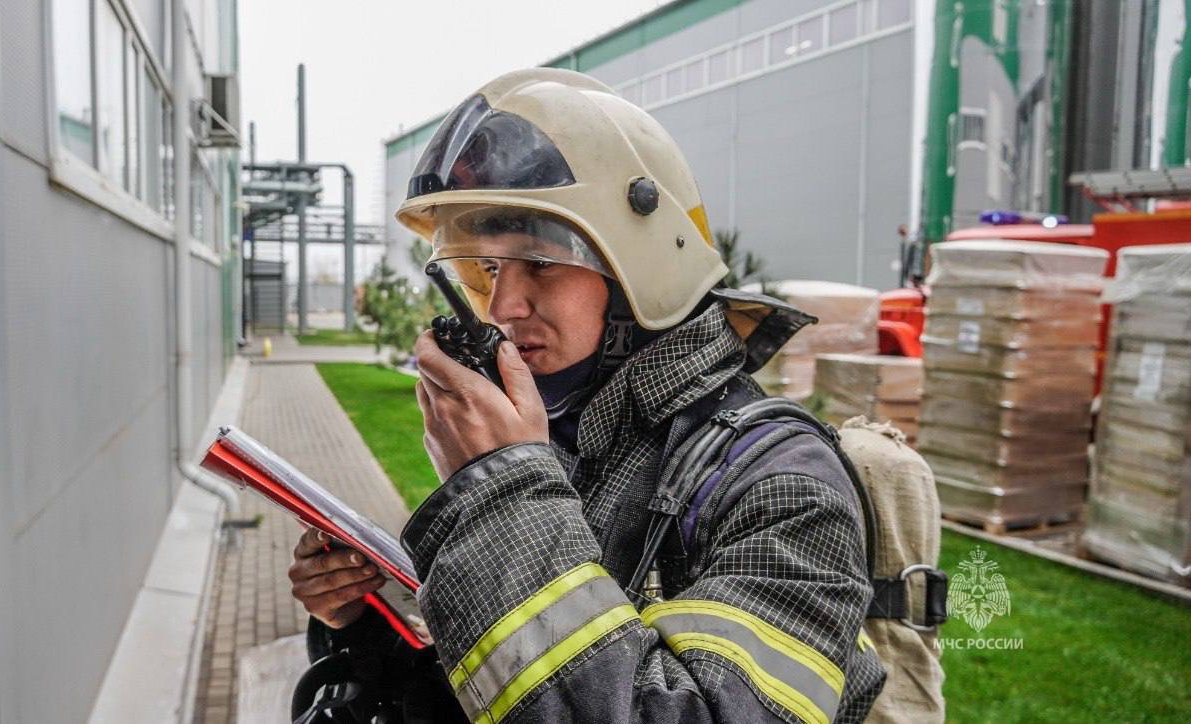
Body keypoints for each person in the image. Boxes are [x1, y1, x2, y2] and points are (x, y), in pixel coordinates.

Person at [289, 68, 886, 723]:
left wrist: (500, 492)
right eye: (487, 269)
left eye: (540, 262)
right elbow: (494, 680)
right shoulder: (559, 437)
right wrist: (360, 621)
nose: (504, 306)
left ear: (642, 271)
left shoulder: (783, 486)